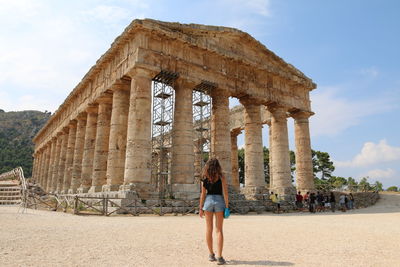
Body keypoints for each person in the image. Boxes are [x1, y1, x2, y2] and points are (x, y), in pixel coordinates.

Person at [199, 158, 229, 265]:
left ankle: (211, 254)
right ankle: (220, 257)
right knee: (219, 230)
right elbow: (225, 192)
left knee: (208, 229)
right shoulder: (221, 176)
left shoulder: (205, 177)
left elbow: (202, 194)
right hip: (219, 201)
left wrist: (200, 208)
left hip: (208, 201)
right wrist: (227, 206)